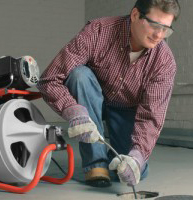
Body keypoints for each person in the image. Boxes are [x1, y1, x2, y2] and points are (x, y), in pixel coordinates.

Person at [37, 0, 180, 188]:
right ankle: (96, 164)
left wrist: (137, 157)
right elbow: (50, 78)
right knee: (80, 75)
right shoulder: (98, 31)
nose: (158, 35)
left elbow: (151, 118)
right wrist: (73, 111)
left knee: (137, 169)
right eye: (154, 25)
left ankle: (116, 160)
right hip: (90, 101)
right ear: (135, 15)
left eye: (166, 29)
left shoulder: (164, 62)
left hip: (126, 110)